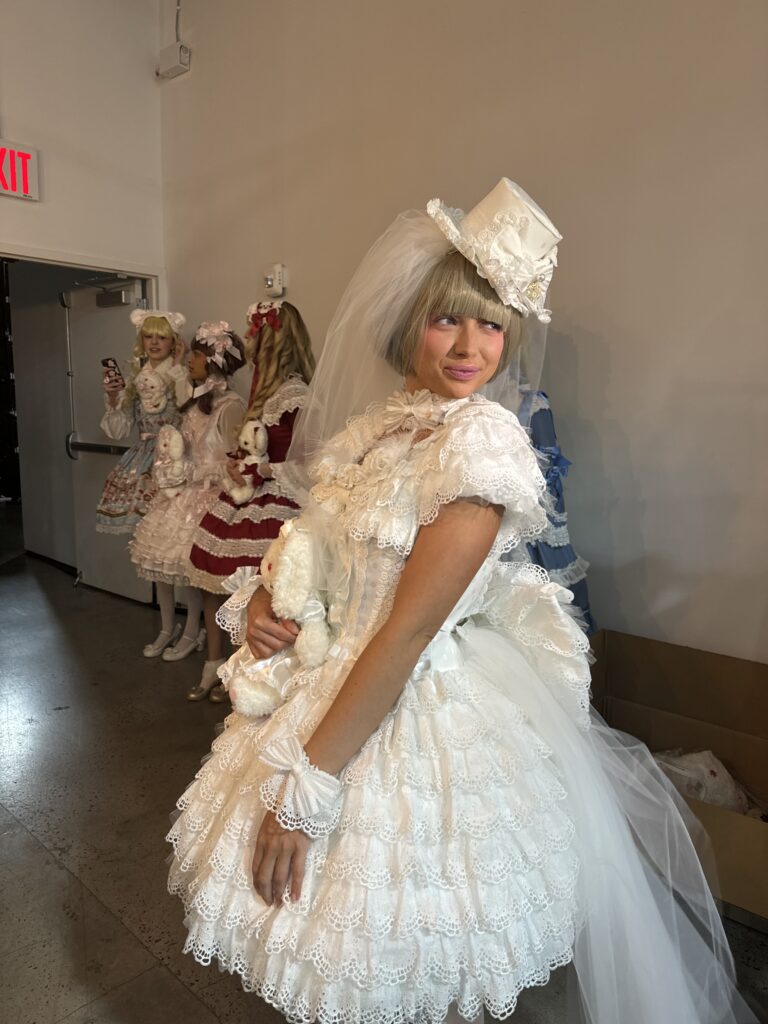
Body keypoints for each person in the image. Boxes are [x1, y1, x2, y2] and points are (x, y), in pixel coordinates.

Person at [167, 181, 756, 1024]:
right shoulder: (380, 429)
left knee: (411, 954)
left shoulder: (481, 442)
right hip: (331, 673)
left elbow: (407, 630)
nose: (470, 345)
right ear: (409, 321)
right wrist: (266, 594)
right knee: (326, 951)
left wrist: (309, 787)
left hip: (417, 699)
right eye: (448, 319)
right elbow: (323, 543)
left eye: (490, 322)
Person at [185, 302, 315, 702]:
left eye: (255, 333)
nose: (250, 341)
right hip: (242, 497)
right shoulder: (261, 389)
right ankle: (213, 665)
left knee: (257, 589)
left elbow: (309, 463)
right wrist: (238, 464)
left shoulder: (294, 394)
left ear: (273, 340)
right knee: (215, 583)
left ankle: (249, 674)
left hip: (277, 502)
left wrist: (264, 472)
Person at [130, 322, 246, 683]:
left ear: (211, 360)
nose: (190, 361)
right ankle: (180, 630)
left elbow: (231, 460)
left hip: (208, 497)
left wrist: (192, 473)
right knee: (172, 565)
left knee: (197, 572)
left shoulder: (231, 405)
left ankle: (198, 633)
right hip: (183, 493)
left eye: (196, 354)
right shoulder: (196, 401)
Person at [96, 309, 188, 536]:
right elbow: (117, 431)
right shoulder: (134, 379)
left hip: (178, 455)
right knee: (145, 532)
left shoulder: (182, 375)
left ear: (174, 342)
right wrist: (113, 397)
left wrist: (177, 365)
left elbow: (190, 410)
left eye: (162, 337)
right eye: (149, 336)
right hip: (143, 459)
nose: (154, 343)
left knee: (173, 528)